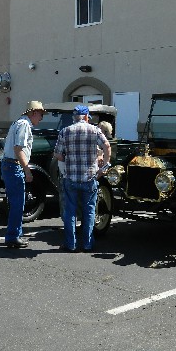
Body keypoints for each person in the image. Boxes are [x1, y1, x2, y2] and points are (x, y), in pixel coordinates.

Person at [53, 105, 111, 252]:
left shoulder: (65, 131)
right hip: (89, 178)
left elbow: (58, 155)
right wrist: (104, 166)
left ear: (74, 117)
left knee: (70, 211)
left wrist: (68, 158)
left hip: (71, 178)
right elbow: (107, 146)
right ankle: (87, 244)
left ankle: (70, 243)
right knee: (89, 212)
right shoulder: (95, 130)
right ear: (86, 117)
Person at [1, 101, 46, 248]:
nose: (41, 118)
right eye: (40, 114)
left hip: (9, 165)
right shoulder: (24, 125)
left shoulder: (18, 123)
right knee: (18, 204)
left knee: (16, 202)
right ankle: (13, 236)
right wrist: (27, 170)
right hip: (14, 165)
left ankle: (15, 234)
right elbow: (18, 149)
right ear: (33, 112)